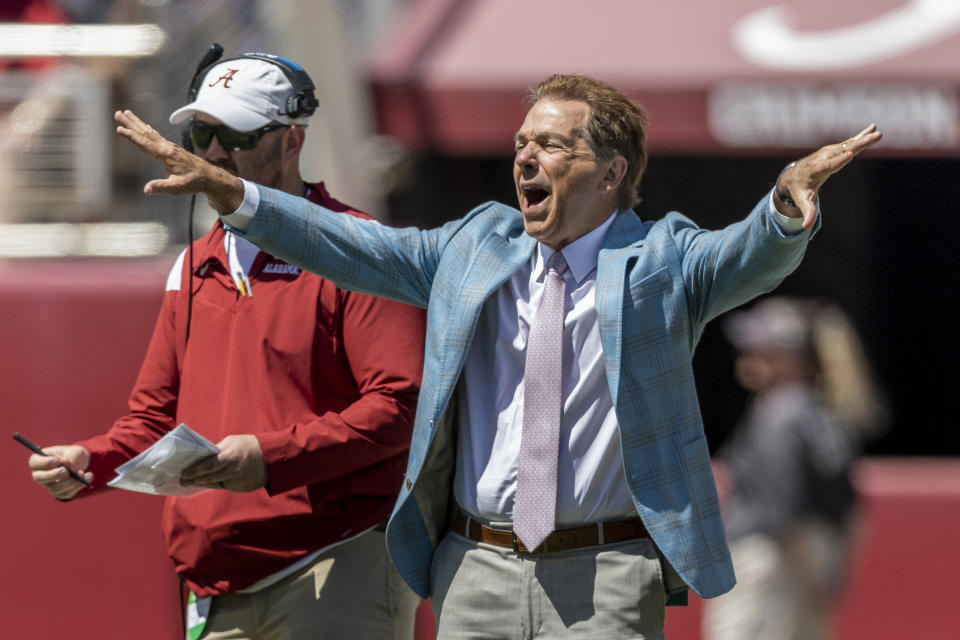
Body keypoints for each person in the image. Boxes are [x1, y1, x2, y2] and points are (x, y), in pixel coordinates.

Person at [114, 72, 882, 639]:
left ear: (612, 173)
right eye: (521, 142)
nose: (526, 157)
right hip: (473, 568)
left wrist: (782, 208)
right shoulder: (474, 245)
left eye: (552, 144)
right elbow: (353, 243)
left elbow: (741, 257)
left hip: (606, 575)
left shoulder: (661, 261)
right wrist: (233, 194)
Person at [27, 52, 426, 640]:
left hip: (332, 564)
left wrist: (269, 457)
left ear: (292, 141)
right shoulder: (194, 264)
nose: (212, 153)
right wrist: (94, 462)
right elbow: (154, 419)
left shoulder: (358, 246)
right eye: (201, 132)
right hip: (215, 584)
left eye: (235, 134)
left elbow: (402, 407)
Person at [704, 297, 888, 640]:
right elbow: (850, 510)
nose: (748, 355)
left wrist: (811, 577)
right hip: (810, 562)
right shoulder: (820, 411)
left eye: (762, 347)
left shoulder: (780, 413)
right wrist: (826, 575)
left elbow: (784, 513)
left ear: (795, 358)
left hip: (773, 562)